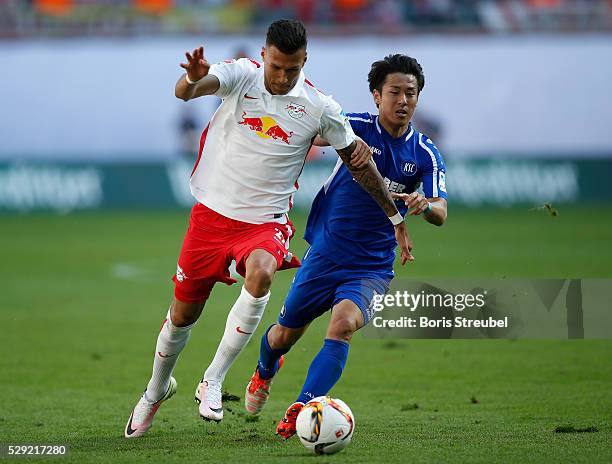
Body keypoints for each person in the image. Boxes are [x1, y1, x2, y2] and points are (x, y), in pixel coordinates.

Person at [124, 20, 413, 438]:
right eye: (276, 66)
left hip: (265, 223)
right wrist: (191, 78)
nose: (281, 77)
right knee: (183, 314)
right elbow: (188, 92)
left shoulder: (319, 107)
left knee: (260, 273)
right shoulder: (242, 75)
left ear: (304, 61)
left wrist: (395, 216)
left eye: (291, 69)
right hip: (211, 216)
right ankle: (155, 391)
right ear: (264, 55)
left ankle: (213, 378)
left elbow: (359, 160)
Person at [243, 54, 448, 439]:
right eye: (395, 92)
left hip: (370, 266)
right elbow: (305, 130)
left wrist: (426, 206)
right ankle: (265, 371)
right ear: (376, 95)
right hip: (325, 255)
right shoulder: (352, 127)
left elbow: (442, 211)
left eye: (411, 93)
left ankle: (302, 407)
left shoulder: (424, 153)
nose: (403, 101)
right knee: (283, 336)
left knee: (343, 326)